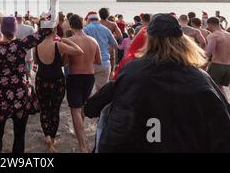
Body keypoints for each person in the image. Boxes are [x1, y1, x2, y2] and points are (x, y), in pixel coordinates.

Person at [84, 13, 230, 152]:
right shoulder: (200, 78)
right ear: (183, 41)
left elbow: (92, 107)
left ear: (150, 40)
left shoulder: (132, 71)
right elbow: (222, 120)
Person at [0, 0, 59, 153]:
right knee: (19, 135)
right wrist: (53, 3)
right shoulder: (22, 45)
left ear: (2, 30)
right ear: (15, 30)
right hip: (21, 94)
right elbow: (48, 28)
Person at [34, 17, 84, 153]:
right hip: (57, 81)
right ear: (54, 30)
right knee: (54, 110)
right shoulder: (58, 45)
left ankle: (47, 136)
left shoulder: (37, 46)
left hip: (41, 81)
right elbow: (79, 51)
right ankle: (53, 139)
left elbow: (36, 62)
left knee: (44, 110)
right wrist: (65, 39)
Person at [65, 14, 101, 152]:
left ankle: (82, 146)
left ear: (71, 26)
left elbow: (65, 61)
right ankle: (80, 130)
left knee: (75, 110)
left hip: (75, 76)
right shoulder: (93, 41)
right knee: (82, 107)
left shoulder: (69, 40)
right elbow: (98, 61)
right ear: (83, 24)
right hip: (89, 77)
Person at [84, 12, 118, 90]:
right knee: (102, 89)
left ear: (89, 20)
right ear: (98, 19)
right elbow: (115, 44)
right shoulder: (106, 30)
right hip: (105, 62)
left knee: (88, 88)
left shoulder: (86, 29)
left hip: (90, 62)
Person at [205, 17, 230, 92]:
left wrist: (202, 66)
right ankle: (225, 103)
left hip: (217, 66)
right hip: (228, 66)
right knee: (220, 88)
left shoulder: (213, 36)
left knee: (211, 88)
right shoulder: (229, 35)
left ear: (209, 24)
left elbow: (208, 52)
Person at [99, 8, 122, 77]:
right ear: (108, 15)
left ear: (99, 15)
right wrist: (112, 37)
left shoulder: (96, 24)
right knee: (111, 71)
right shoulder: (112, 24)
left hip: (98, 48)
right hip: (109, 48)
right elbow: (120, 36)